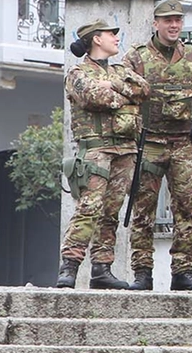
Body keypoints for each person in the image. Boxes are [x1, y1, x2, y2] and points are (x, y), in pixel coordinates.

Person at [57, 20, 150, 289]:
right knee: (89, 208)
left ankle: (102, 268)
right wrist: (122, 93)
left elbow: (143, 90)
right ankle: (70, 266)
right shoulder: (78, 73)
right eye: (111, 34)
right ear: (96, 39)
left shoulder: (120, 70)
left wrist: (115, 89)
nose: (116, 38)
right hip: (96, 149)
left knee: (111, 211)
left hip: (124, 148)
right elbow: (95, 97)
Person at [121, 0, 192, 291]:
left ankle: (182, 272)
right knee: (142, 210)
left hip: (183, 142)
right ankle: (142, 272)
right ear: (155, 24)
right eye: (168, 20)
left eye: (178, 21)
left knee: (186, 208)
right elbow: (124, 93)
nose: (173, 25)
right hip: (150, 141)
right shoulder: (137, 57)